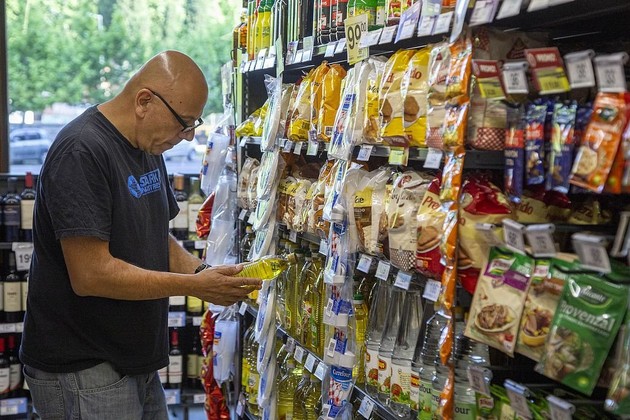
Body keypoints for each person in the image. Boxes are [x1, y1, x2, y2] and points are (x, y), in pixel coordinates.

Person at [19, 50, 261, 419]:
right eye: (183, 124)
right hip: (85, 367)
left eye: (193, 125)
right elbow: (90, 275)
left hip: (133, 361)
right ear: (144, 101)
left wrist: (202, 273)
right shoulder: (81, 152)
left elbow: (153, 235)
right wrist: (194, 287)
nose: (188, 137)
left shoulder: (147, 145)